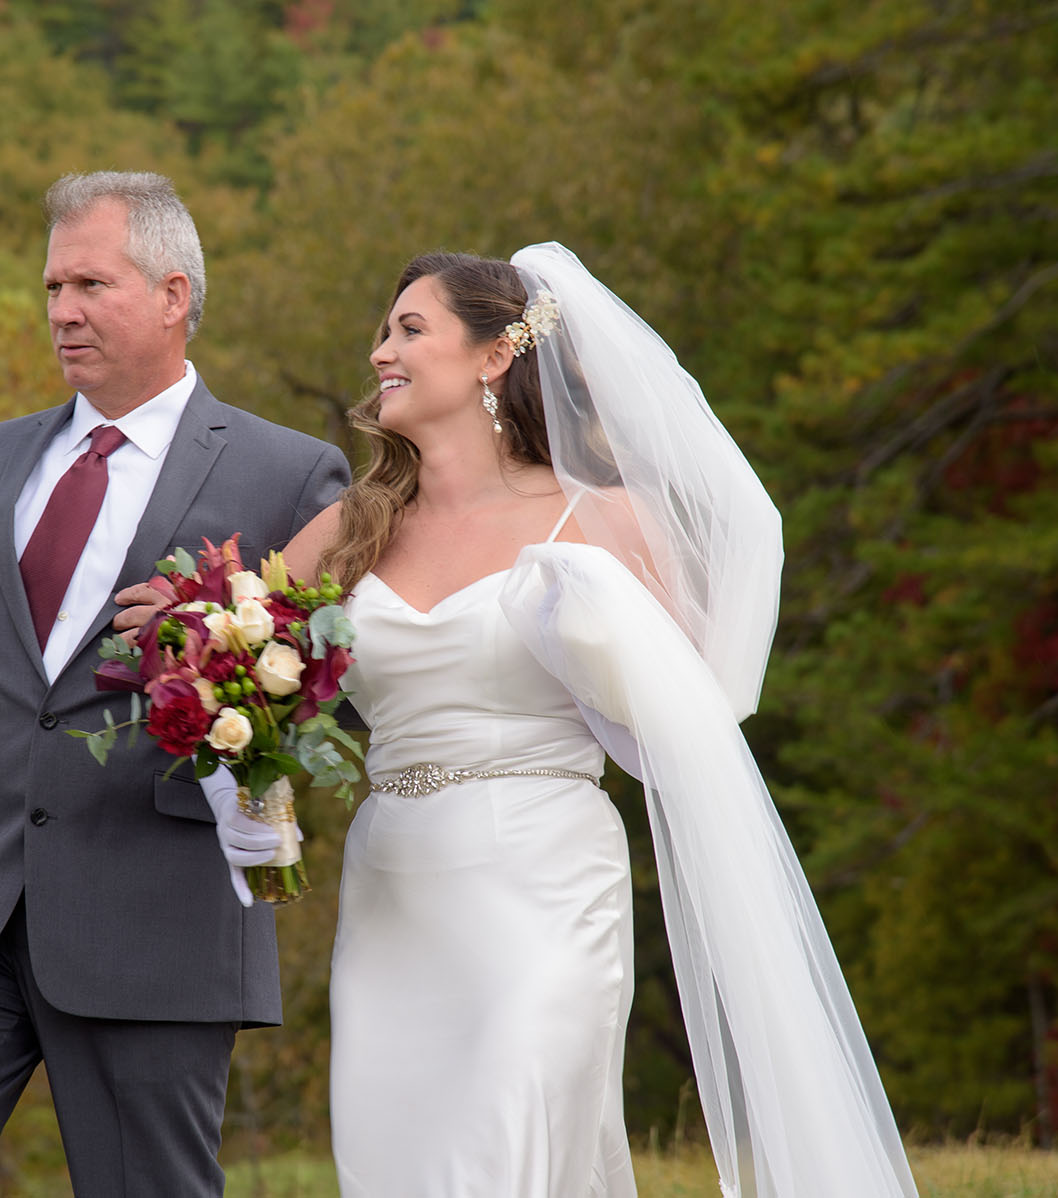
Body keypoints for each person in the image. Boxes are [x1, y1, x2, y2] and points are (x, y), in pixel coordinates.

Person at [280, 246, 920, 1196]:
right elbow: (238, 669)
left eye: (411, 329)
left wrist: (598, 640)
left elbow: (696, 708)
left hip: (543, 880)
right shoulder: (353, 529)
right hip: (394, 888)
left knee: (506, 1141)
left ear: (495, 357)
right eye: (384, 330)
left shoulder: (601, 520)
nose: (382, 351)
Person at [0, 170, 349, 1197]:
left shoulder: (290, 474)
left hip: (157, 919)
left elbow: (325, 702)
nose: (63, 311)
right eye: (51, 288)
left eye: (90, 283)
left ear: (174, 294)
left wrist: (210, 648)